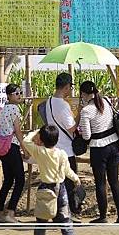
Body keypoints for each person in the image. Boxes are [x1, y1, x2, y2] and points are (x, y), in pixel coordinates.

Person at [78, 80, 119, 224]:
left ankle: (103, 216)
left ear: (84, 94)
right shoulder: (105, 100)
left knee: (100, 183)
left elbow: (86, 136)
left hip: (99, 149)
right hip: (114, 145)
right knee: (114, 182)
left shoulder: (86, 111)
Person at [22, 125, 79, 235]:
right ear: (57, 139)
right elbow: (67, 171)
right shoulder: (62, 154)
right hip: (60, 188)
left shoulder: (40, 152)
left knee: (41, 219)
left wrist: (36, 131)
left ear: (41, 139)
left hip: (45, 188)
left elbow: (26, 141)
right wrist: (76, 179)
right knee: (65, 218)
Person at [45, 72, 80, 216]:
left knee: (56, 183)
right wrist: (79, 114)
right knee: (69, 183)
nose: (70, 90)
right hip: (66, 150)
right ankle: (69, 212)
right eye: (70, 87)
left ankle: (57, 212)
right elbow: (71, 128)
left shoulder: (49, 101)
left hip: (54, 149)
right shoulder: (63, 105)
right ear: (66, 87)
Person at [0, 83, 26, 224]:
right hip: (12, 147)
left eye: (20, 93)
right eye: (16, 93)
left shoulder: (3, 109)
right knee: (20, 180)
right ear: (9, 96)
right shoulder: (14, 108)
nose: (19, 95)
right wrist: (24, 148)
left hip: (3, 148)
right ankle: (10, 212)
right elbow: (17, 131)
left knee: (8, 180)